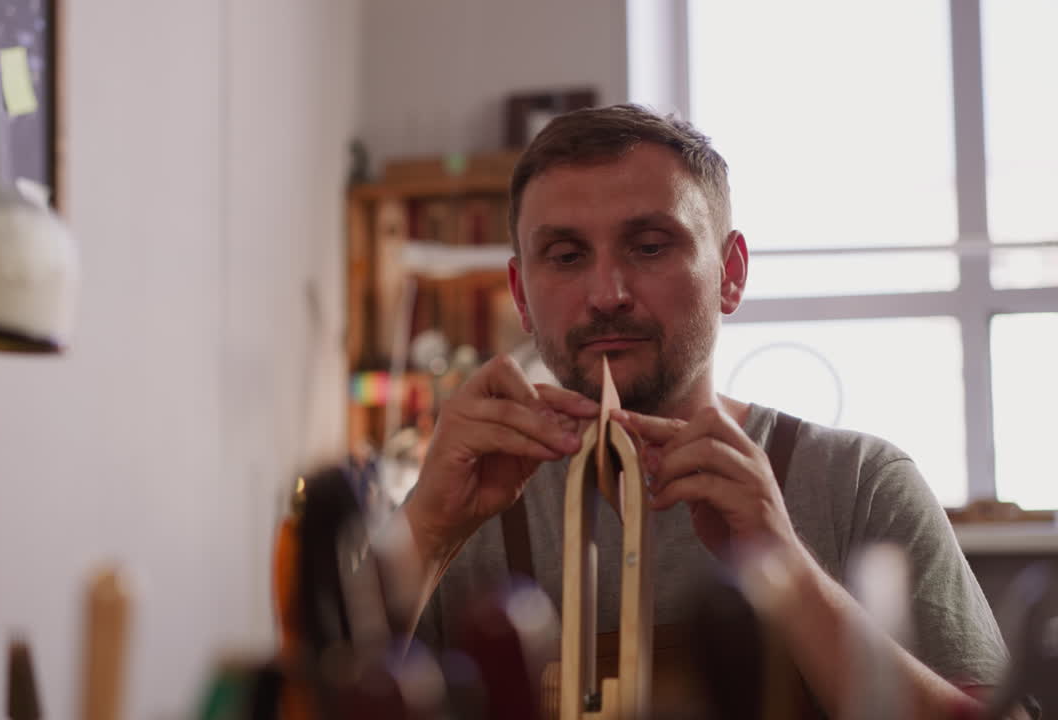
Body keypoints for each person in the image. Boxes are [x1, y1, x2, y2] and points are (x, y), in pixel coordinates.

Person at [396, 103, 1028, 718]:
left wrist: (787, 569)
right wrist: (426, 530)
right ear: (521, 295)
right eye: (566, 256)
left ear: (730, 272)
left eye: (649, 247)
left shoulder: (861, 485)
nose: (608, 294)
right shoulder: (467, 510)